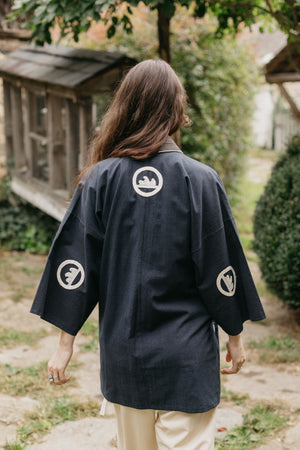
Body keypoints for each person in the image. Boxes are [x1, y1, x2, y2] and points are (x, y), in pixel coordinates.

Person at [31, 59, 265, 449]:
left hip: (126, 357)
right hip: (187, 356)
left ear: (126, 107)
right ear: (176, 109)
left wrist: (64, 343)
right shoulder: (201, 180)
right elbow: (219, 267)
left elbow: (77, 266)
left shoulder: (99, 179)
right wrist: (235, 335)